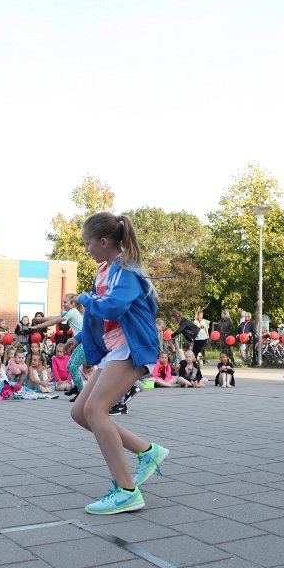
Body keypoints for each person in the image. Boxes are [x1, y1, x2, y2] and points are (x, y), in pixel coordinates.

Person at [66, 212, 169, 515]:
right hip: (115, 349)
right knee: (80, 413)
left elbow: (113, 307)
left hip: (132, 347)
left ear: (104, 241)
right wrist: (82, 338)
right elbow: (99, 315)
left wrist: (84, 299)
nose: (86, 249)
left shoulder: (126, 270)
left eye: (88, 243)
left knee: (94, 410)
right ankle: (147, 452)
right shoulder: (104, 270)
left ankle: (126, 491)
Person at [34, 294, 85, 398]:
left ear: (73, 303)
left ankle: (81, 393)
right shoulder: (70, 312)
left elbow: (54, 321)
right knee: (70, 365)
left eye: (65, 302)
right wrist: (42, 319)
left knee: (74, 367)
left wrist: (37, 326)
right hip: (80, 341)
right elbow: (55, 317)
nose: (63, 304)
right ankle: (76, 387)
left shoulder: (73, 312)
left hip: (85, 343)